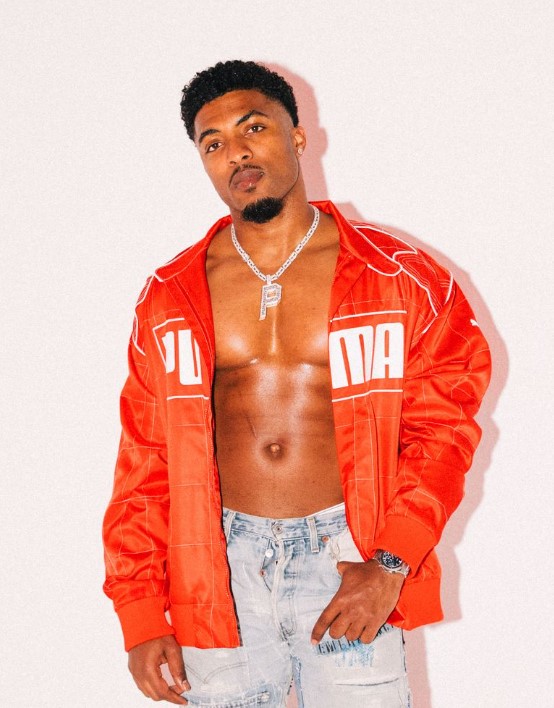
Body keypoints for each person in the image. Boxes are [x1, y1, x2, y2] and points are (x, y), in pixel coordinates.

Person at [103, 60, 491, 707]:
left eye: (253, 128)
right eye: (213, 142)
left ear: (299, 136)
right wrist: (141, 611)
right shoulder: (170, 296)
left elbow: (444, 431)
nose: (236, 152)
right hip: (216, 570)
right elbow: (145, 458)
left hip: (349, 561)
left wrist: (390, 563)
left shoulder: (399, 277)